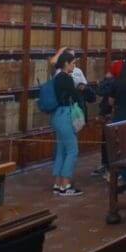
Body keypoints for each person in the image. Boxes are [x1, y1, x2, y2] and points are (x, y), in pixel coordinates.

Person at [50, 51, 83, 196]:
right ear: (66, 64)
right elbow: (75, 96)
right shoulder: (67, 78)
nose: (74, 66)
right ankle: (66, 185)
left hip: (57, 115)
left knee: (61, 151)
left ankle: (57, 183)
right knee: (72, 150)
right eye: (73, 63)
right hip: (66, 115)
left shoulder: (56, 77)